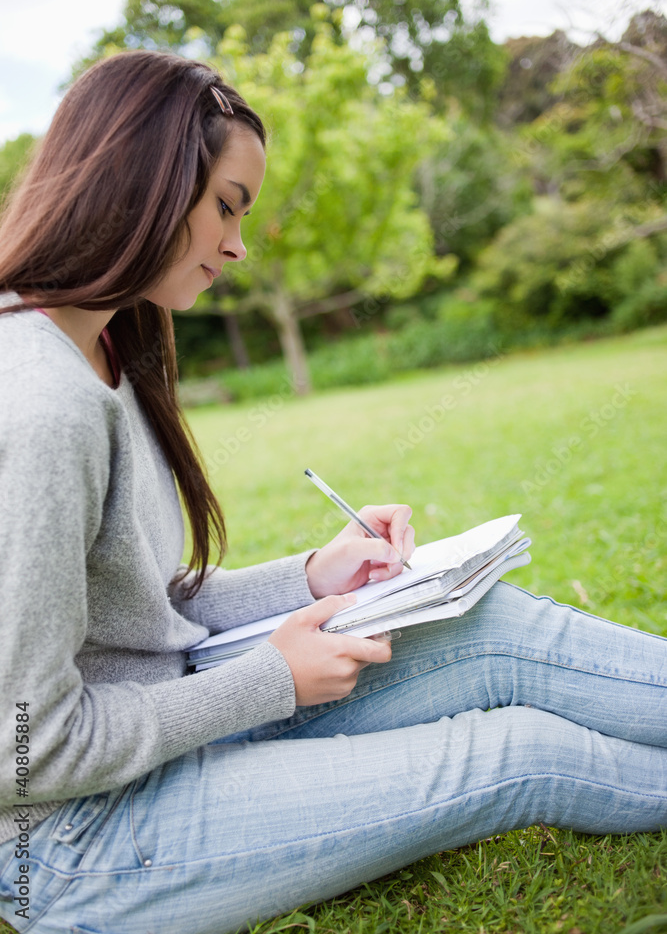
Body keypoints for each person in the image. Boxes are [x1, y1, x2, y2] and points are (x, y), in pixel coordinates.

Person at [0, 50, 665, 934]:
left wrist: (313, 576)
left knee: (492, 625)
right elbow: (26, 751)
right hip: (74, 843)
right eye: (227, 205)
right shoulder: (39, 405)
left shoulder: (108, 348)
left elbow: (134, 610)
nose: (237, 245)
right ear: (142, 181)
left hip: (172, 728)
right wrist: (270, 681)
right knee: (522, 752)